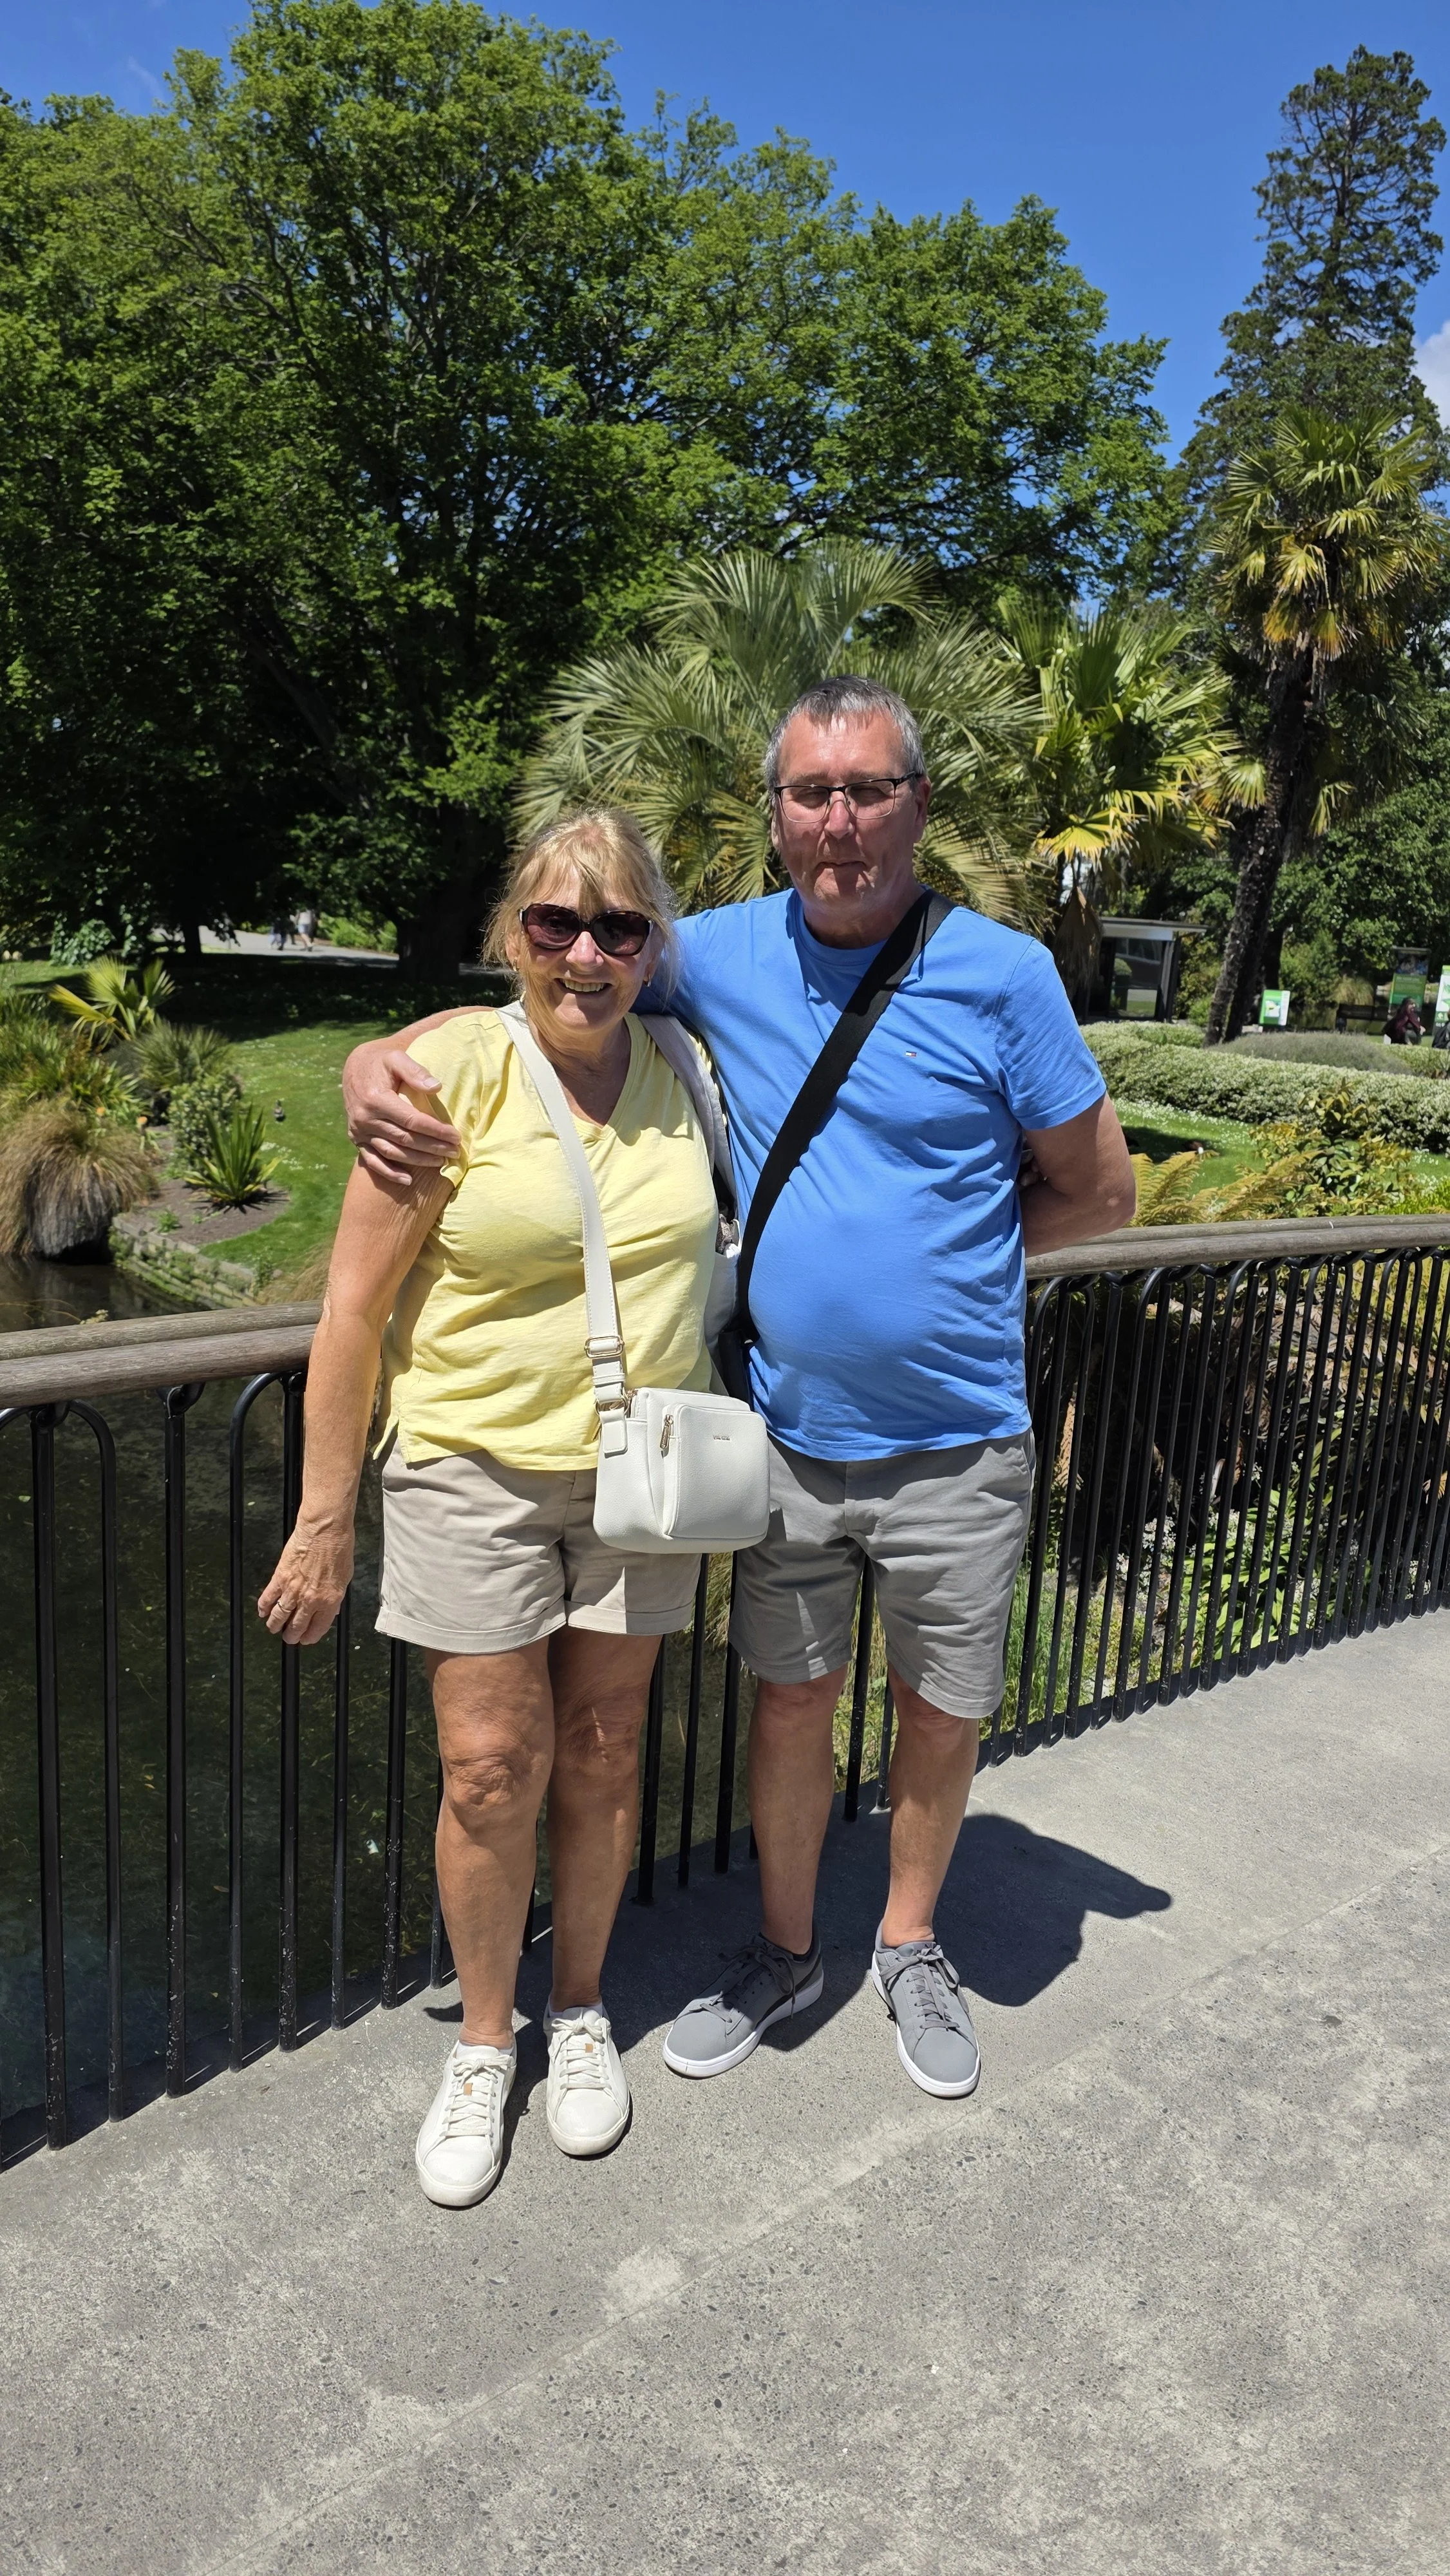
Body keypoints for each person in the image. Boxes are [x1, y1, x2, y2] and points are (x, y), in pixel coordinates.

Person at [343, 677, 1136, 2107]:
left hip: (958, 1434)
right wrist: (372, 1060)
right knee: (788, 1702)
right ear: (773, 814)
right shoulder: (700, 952)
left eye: (868, 790)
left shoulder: (1004, 972)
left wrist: (948, 1266)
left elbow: (1099, 1190)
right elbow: (546, 983)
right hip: (777, 1434)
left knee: (937, 1709)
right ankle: (783, 1946)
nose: (840, 823)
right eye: (811, 794)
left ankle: (906, 1940)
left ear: (917, 804)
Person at [259, 810, 724, 2207]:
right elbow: (350, 1305)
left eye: (618, 927)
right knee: (486, 1769)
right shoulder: (450, 1069)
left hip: (644, 1470)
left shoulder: (685, 1065)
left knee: (603, 1744)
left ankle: (577, 2006)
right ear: (511, 933)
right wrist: (323, 1512)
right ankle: (482, 2035)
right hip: (469, 1465)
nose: (586, 954)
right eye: (555, 924)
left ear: (652, 946)